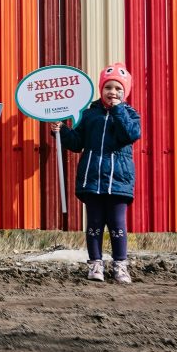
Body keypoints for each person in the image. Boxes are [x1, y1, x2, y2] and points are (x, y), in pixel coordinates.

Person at [51, 63, 142, 284]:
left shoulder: (130, 114)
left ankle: (120, 265)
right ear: (101, 89)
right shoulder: (90, 114)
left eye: (118, 88)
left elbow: (130, 135)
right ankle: (95, 264)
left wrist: (118, 110)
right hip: (92, 179)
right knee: (94, 224)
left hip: (118, 181)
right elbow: (77, 143)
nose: (112, 92)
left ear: (125, 92)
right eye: (108, 87)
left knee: (117, 224)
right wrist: (62, 131)